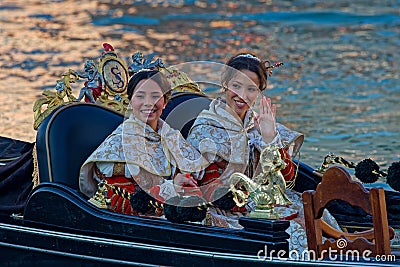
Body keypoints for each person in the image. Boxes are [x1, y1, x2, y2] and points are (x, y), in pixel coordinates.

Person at [186, 52, 338, 253]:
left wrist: (269, 139)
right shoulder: (205, 127)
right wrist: (246, 201)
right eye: (237, 86)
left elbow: (288, 178)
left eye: (251, 89)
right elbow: (203, 184)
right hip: (227, 209)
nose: (242, 95)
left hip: (264, 202)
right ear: (225, 84)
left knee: (319, 216)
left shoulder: (258, 124)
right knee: (293, 231)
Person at [79, 69, 208, 216]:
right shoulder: (117, 146)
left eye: (155, 96)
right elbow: (121, 201)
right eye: (140, 96)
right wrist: (172, 190)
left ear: (165, 102)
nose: (148, 103)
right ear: (130, 101)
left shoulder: (173, 139)